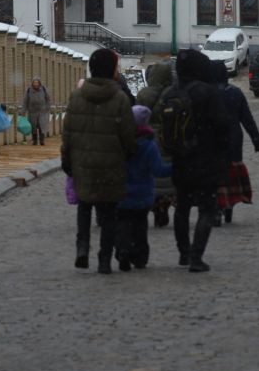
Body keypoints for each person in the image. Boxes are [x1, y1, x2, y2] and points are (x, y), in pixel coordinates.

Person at [61, 48, 137, 274]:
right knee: (108, 214)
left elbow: (68, 132)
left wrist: (68, 158)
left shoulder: (76, 97)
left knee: (84, 206)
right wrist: (128, 155)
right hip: (111, 164)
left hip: (83, 163)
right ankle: (104, 260)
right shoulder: (120, 98)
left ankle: (82, 248)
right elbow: (128, 135)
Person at [169, 48, 229, 273]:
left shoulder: (171, 92)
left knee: (182, 207)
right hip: (206, 159)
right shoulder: (208, 92)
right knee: (206, 208)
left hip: (180, 158)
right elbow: (223, 125)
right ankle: (196, 256)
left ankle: (183, 253)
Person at [115, 105, 172, 271]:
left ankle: (123, 251)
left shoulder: (120, 140)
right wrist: (176, 166)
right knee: (140, 227)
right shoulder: (149, 144)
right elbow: (158, 170)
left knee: (123, 224)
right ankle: (140, 257)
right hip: (143, 194)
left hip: (121, 192)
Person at [210, 61, 259, 224]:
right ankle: (229, 206)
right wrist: (256, 138)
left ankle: (216, 207)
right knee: (231, 173)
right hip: (233, 139)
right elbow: (247, 119)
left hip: (212, 141)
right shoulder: (235, 93)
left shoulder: (207, 94)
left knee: (214, 175)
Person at [137, 60, 177, 227]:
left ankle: (155, 206)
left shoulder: (144, 94)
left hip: (149, 138)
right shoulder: (173, 93)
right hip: (167, 138)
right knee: (167, 172)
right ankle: (166, 203)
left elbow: (137, 116)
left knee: (151, 173)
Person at [22, 77, 51, 145]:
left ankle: (42, 140)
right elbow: (25, 101)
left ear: (39, 83)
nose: (36, 84)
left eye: (37, 82)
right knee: (33, 127)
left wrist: (47, 107)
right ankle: (34, 141)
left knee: (41, 126)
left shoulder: (43, 89)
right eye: (34, 83)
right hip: (32, 112)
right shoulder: (29, 90)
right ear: (32, 83)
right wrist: (23, 111)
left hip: (42, 112)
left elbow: (48, 99)